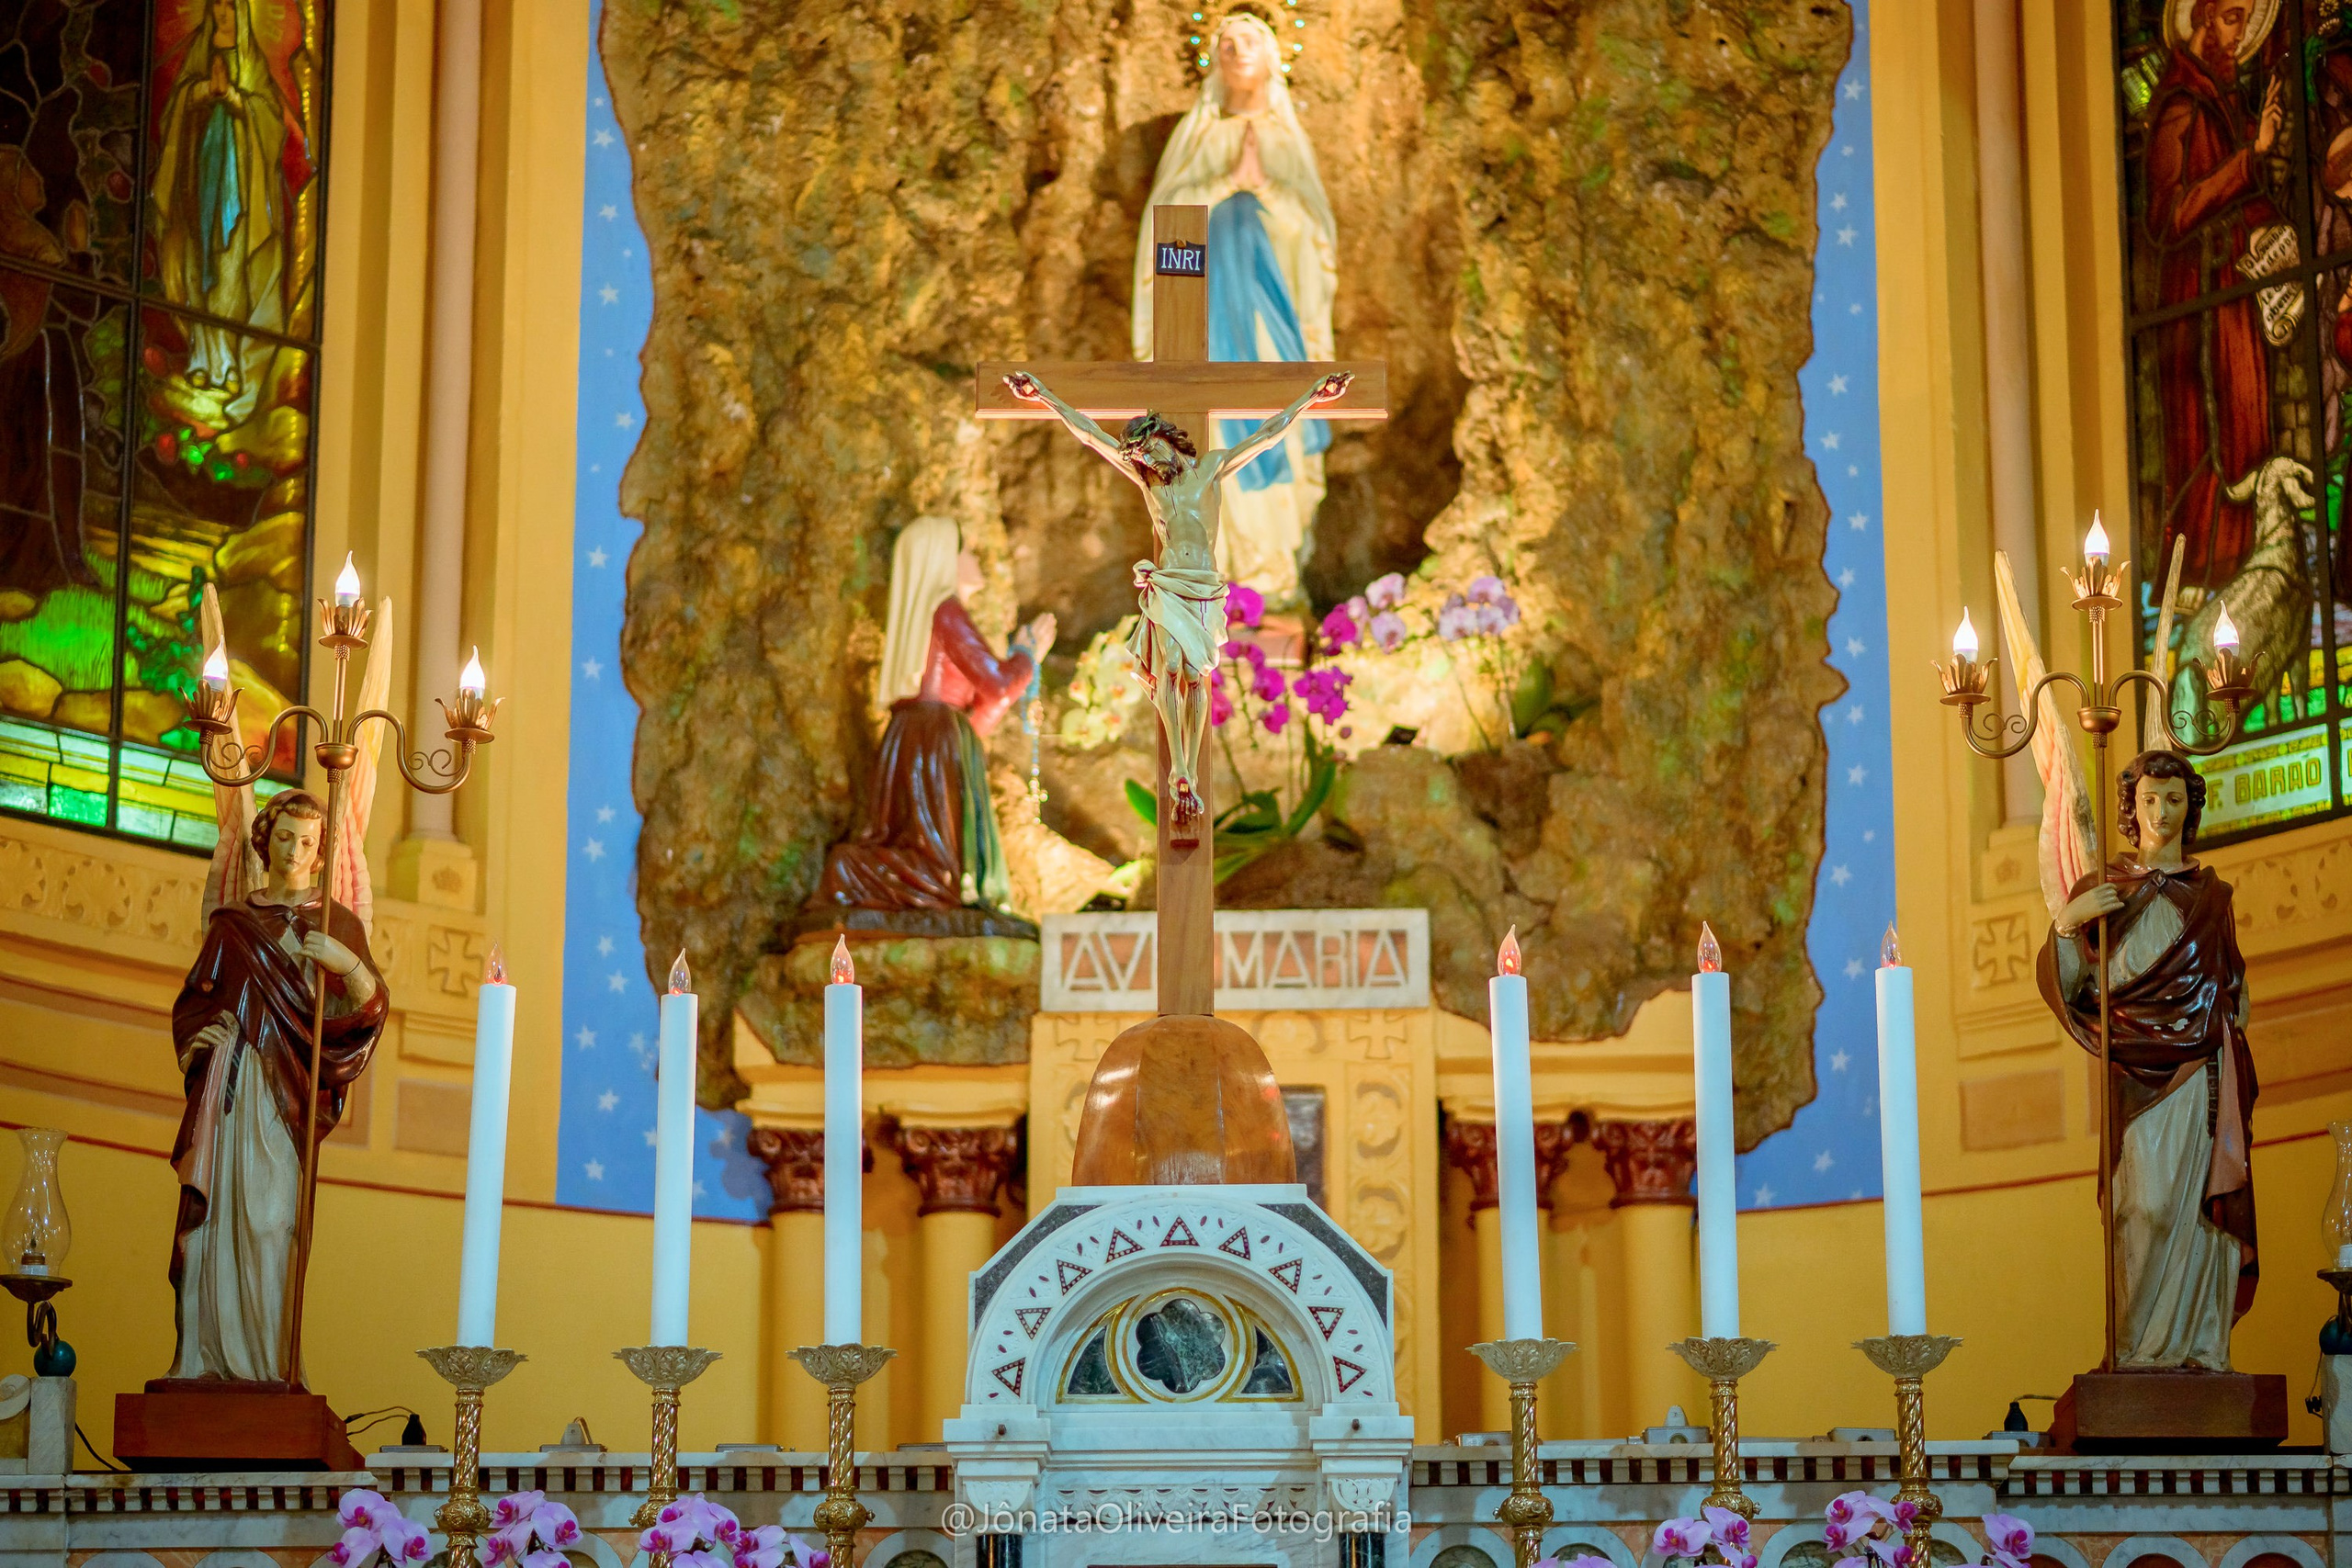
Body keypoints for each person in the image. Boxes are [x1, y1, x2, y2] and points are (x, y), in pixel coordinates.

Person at [1005, 369, 1349, 826]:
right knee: (1169, 665)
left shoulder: (1210, 470)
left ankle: (1189, 765)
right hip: (1169, 582)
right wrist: (1045, 395)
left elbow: (1267, 436)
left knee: (1195, 672)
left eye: (1147, 450)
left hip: (1203, 584)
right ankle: (1181, 769)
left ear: (1164, 439)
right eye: (1138, 456)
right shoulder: (1152, 485)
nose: (1144, 461)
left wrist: (1312, 397)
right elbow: (1091, 437)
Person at [2037, 750, 2256, 1370]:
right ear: (2131, 807)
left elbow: (2232, 980)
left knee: (2202, 1217)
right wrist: (2066, 924)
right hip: (2136, 1073)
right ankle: (2134, 1354)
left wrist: (2235, 1007)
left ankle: (2200, 1349)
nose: (2162, 811)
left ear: (2191, 807)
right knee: (2144, 1207)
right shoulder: (2105, 888)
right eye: (2149, 799)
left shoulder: (2211, 894)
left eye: (2174, 798)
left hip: (2202, 1073)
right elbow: (2073, 985)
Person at [168, 790, 386, 1384]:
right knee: (212, 1224)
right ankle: (204, 1361)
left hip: (284, 1095)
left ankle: (270, 1367)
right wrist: (202, 1038)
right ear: (266, 841)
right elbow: (194, 1002)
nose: (293, 850)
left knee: (271, 1221)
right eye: (284, 836)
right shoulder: (235, 922)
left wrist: (349, 964)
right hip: (230, 1088)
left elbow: (368, 1010)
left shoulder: (335, 922)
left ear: (321, 854)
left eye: (307, 841)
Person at [1131, 10, 1338, 609]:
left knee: (1277, 437)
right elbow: (1162, 229)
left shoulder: (1285, 141)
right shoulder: (1197, 139)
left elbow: (1319, 242)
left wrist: (1266, 193)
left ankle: (1274, 583)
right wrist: (1223, 185)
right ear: (1212, 58)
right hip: (1207, 334)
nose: (1237, 51)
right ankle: (1221, 583)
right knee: (1216, 440)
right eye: (1227, 42)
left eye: (1251, 41)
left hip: (1276, 330)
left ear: (1275, 57)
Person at [811, 518, 1056, 915]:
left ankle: (860, 873)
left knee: (945, 862)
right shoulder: (947, 613)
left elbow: (975, 723)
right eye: (965, 549)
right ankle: (858, 873)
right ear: (942, 558)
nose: (974, 558)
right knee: (938, 866)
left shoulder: (942, 618)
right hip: (932, 740)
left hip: (934, 738)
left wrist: (1023, 666)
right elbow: (996, 683)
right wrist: (1025, 656)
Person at [2142, 0, 2286, 594]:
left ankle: (2245, 560)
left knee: (2247, 423)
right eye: (2229, 17)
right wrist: (2249, 157)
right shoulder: (2181, 103)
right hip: (2198, 299)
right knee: (2211, 431)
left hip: (2235, 289)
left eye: (2244, 19)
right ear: (2200, 20)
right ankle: (2203, 570)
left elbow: (2234, 193)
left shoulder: (2224, 98)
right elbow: (2167, 215)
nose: (2238, 31)